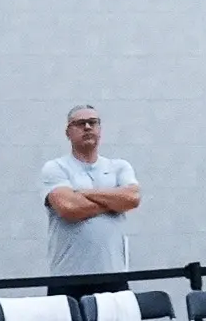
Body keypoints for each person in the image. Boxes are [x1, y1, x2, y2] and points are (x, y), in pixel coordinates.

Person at [43, 105, 140, 296]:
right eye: (80, 123)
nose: (87, 127)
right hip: (69, 277)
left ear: (99, 129)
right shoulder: (56, 168)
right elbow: (69, 208)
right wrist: (113, 202)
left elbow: (132, 199)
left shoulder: (119, 167)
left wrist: (83, 193)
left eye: (92, 123)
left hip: (113, 276)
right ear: (68, 132)